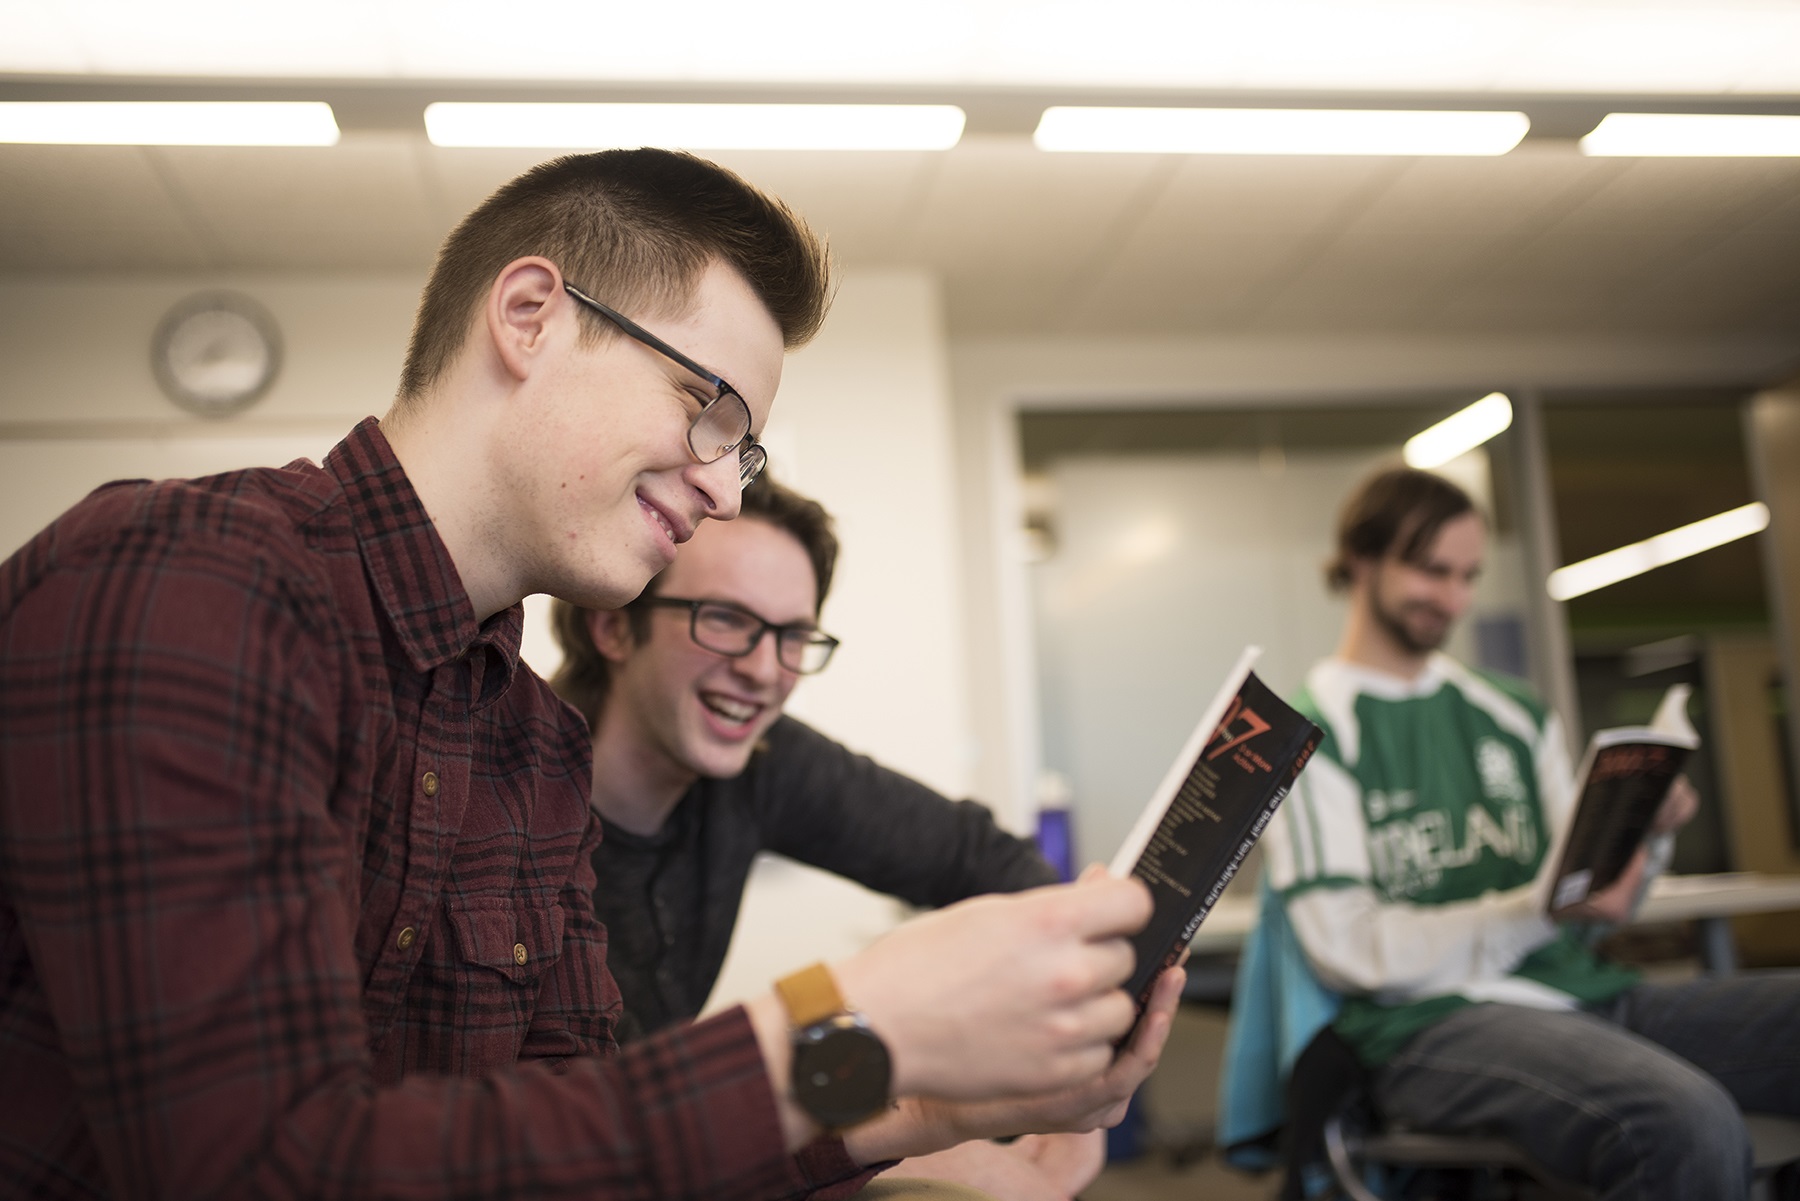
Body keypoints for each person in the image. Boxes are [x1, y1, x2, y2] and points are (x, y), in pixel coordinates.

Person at [0, 147, 1184, 1201]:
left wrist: (950, 1100)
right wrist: (850, 1023)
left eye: (747, 444)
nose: (726, 484)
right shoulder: (194, 583)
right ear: (530, 317)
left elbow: (589, 1138)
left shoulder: (529, 737)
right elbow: (259, 1162)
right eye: (705, 407)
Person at [548, 475, 1101, 1200]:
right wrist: (911, 1151)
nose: (764, 669)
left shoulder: (762, 763)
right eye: (723, 618)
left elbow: (986, 859)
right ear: (613, 625)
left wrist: (1075, 1065)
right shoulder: (515, 811)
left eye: (792, 635)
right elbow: (586, 1141)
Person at [1260, 465, 1800, 1199]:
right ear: (1361, 559)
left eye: (1469, 575)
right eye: (1431, 571)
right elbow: (1352, 951)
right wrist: (1530, 912)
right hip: (1430, 1027)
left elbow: (1581, 912)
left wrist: (1646, 838)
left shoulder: (1513, 712)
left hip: (1581, 992)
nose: (1453, 598)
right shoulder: (1310, 733)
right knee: (1683, 1118)